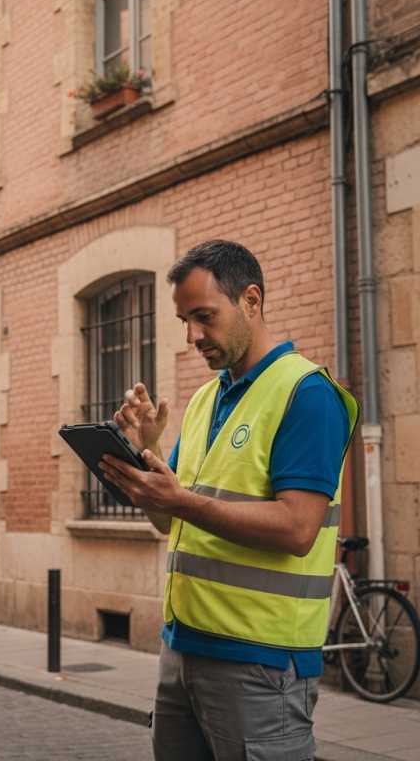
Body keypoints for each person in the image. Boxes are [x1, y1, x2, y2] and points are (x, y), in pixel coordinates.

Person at [99, 240, 359, 761]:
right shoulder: (203, 400)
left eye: (204, 316)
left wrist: (180, 501)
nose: (192, 335)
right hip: (180, 649)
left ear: (251, 301)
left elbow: (297, 528)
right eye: (184, 320)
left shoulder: (307, 393)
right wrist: (147, 455)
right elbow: (168, 520)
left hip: (260, 663)